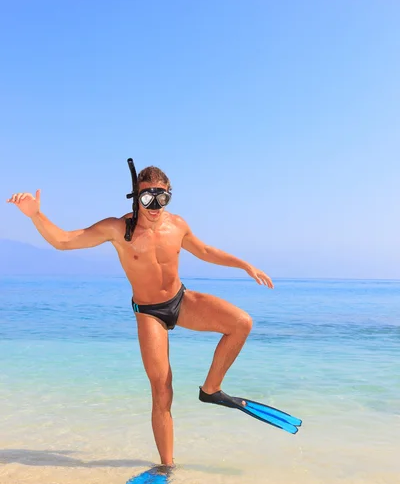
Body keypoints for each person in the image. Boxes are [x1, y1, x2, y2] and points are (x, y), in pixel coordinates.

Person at [7, 162, 274, 467]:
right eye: (148, 198)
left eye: (162, 198)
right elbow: (64, 241)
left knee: (241, 322)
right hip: (149, 313)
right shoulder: (119, 229)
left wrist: (246, 265)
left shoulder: (177, 225)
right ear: (136, 197)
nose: (155, 206)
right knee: (162, 390)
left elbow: (206, 251)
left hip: (181, 299)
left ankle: (210, 389)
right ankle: (167, 466)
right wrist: (36, 215)